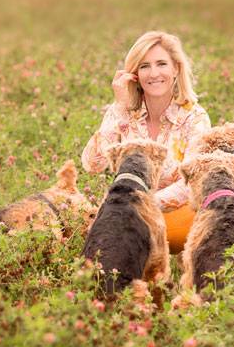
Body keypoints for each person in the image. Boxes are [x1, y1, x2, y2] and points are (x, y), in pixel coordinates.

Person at [81, 31, 210, 251]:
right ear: (135, 74)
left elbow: (192, 183)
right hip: (127, 211)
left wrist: (141, 205)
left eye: (161, 64)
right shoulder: (125, 111)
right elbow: (93, 164)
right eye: (144, 66)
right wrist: (119, 107)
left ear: (175, 69)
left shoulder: (194, 117)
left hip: (175, 215)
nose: (154, 73)